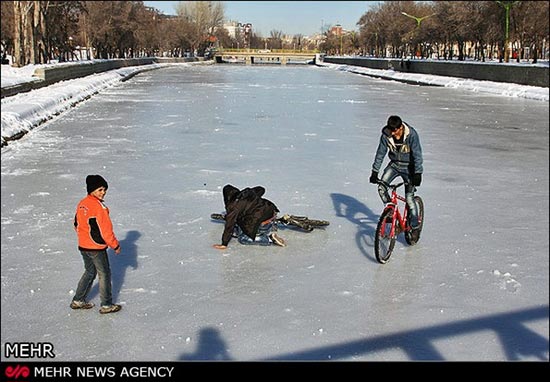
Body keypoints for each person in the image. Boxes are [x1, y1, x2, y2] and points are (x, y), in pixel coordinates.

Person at [71, 175, 122, 314]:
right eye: (100, 189)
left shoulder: (82, 203)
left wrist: (84, 237)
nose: (103, 192)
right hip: (96, 247)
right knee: (104, 274)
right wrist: (115, 245)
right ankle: (106, 304)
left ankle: (78, 300)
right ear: (91, 190)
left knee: (90, 272)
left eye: (104, 189)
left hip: (83, 245)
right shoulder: (99, 207)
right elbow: (106, 230)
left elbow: (76, 223)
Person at [370, 115, 423, 242]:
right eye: (390, 130)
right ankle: (390, 212)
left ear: (400, 128)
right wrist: (374, 171)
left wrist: (418, 173)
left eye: (394, 130)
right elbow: (380, 153)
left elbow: (417, 154)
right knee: (382, 188)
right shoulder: (386, 135)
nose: (392, 133)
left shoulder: (412, 135)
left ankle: (415, 227)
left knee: (409, 199)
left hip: (409, 168)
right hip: (394, 165)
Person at [213, 184, 286, 250]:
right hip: (271, 210)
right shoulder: (247, 193)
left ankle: (270, 239)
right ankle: (275, 222)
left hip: (261, 220)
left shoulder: (233, 207)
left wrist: (224, 243)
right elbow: (261, 189)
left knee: (243, 238)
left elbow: (229, 226)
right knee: (244, 217)